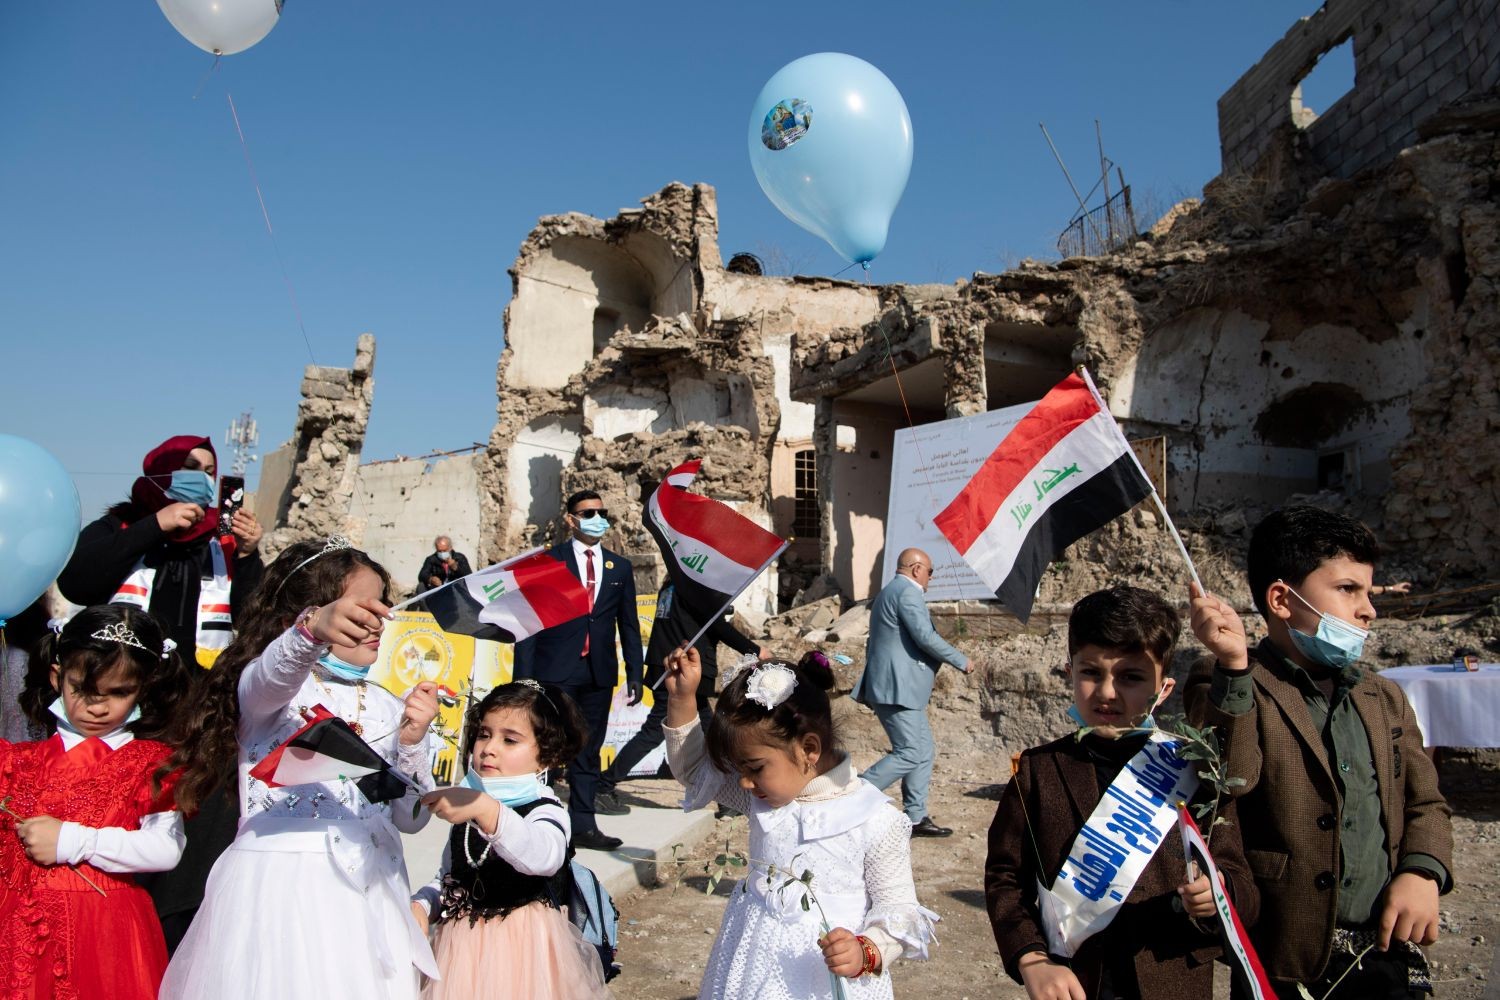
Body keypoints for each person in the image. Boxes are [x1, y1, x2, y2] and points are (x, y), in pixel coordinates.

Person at [1185, 506, 1453, 999]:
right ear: (1282, 599)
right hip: (1285, 957)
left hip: (1386, 947)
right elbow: (1229, 778)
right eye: (1348, 589)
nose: (1368, 608)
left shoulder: (1383, 696)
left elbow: (1426, 803)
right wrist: (1235, 665)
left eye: (1368, 592)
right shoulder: (1231, 683)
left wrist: (1422, 872)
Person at [158, 537, 441, 1000]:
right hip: (284, 894)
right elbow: (269, 676)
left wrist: (411, 743)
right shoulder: (274, 696)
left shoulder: (389, 706)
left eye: (382, 608)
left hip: (372, 894)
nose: (378, 622)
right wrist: (309, 631)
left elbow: (410, 820)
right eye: (361, 610)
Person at [985, 586, 1259, 1000]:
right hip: (1076, 983)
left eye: (1131, 677)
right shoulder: (1038, 772)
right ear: (1069, 673)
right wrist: (1031, 958)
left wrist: (1217, 894)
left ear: (1164, 689)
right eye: (1091, 672)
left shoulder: (1194, 770)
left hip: (1173, 981)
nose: (1108, 692)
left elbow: (1241, 884)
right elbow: (1005, 879)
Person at [56, 434, 264, 950]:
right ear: (160, 473)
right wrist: (155, 526)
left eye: (209, 470)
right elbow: (80, 580)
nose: (202, 476)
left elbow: (255, 619)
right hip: (120, 719)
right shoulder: (122, 525)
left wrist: (254, 555)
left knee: (186, 858)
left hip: (195, 726)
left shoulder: (224, 543)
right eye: (189, 466)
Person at [662, 647, 939, 999]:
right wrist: (682, 698)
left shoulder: (874, 819)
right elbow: (694, 771)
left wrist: (865, 950)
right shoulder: (763, 798)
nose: (744, 782)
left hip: (828, 981)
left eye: (755, 768)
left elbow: (899, 909)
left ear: (809, 748)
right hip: (755, 968)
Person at [0, 605, 191, 999]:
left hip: (104, 936)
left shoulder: (152, 764)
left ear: (144, 687)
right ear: (57, 677)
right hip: (14, 929)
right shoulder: (14, 761)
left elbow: (165, 848)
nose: (97, 707)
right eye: (83, 689)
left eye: (118, 693)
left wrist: (73, 840)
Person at [410, 680, 611, 1000]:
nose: (489, 748)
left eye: (510, 740)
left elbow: (543, 856)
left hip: (523, 957)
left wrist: (485, 809)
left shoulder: (545, 810)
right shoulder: (471, 805)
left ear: (547, 756)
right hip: (459, 957)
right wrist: (423, 904)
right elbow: (450, 876)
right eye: (484, 734)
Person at [513, 491, 643, 853]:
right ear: (571, 519)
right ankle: (538, 823)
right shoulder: (546, 562)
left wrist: (635, 672)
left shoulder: (620, 567)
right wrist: (523, 681)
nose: (598, 518)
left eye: (602, 512)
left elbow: (628, 625)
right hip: (555, 670)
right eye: (589, 512)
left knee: (588, 750)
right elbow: (529, 623)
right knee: (547, 748)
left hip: (598, 673)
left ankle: (583, 824)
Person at [594, 580, 763, 815]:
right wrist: (755, 650)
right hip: (679, 670)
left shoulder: (674, 583)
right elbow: (717, 626)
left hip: (674, 667)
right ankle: (603, 785)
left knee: (713, 733)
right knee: (654, 732)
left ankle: (725, 799)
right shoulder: (694, 585)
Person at [852, 547, 970, 837]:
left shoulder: (892, 591)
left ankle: (916, 817)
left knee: (923, 750)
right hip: (897, 686)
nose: (930, 578)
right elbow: (924, 636)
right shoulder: (907, 592)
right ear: (917, 569)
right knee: (910, 752)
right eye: (930, 571)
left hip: (898, 686)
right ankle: (852, 798)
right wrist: (961, 660)